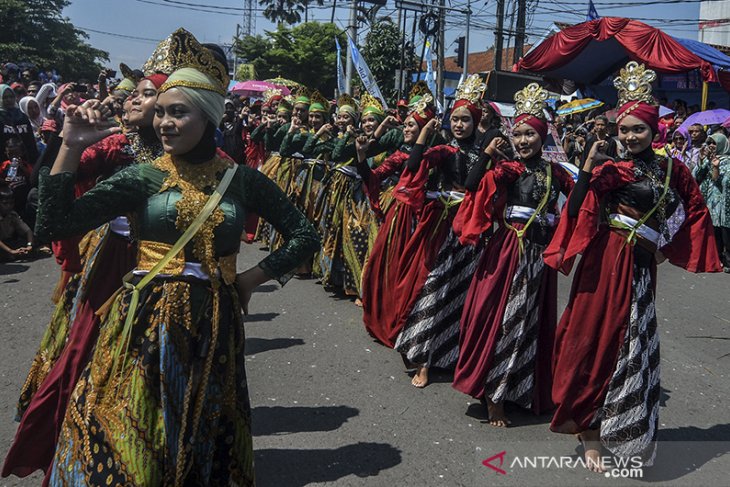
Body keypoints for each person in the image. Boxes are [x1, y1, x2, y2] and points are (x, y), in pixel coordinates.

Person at [24, 29, 318, 486]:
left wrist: (250, 279)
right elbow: (52, 226)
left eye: (177, 113)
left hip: (214, 325)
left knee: (201, 429)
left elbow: (304, 234)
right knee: (126, 431)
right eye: (159, 112)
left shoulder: (242, 180)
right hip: (142, 320)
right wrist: (70, 145)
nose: (163, 123)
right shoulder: (142, 177)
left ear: (209, 118)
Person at [544, 62, 721, 472]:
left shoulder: (672, 169)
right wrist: (588, 165)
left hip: (643, 267)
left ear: (652, 129)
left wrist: (665, 247)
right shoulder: (610, 169)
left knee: (634, 343)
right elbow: (578, 209)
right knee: (594, 338)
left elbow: (692, 210)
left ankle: (624, 429)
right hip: (606, 261)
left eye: (637, 129)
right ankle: (587, 431)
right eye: (623, 130)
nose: (629, 136)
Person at [2, 56, 171, 483]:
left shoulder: (205, 162)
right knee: (88, 351)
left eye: (147, 93)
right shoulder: (115, 145)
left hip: (169, 276)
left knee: (151, 369)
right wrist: (70, 141)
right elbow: (48, 203)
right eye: (134, 92)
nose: (132, 97)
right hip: (114, 263)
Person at [452, 83, 575, 426]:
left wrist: (593, 165)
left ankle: (522, 390)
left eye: (529, 135)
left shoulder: (557, 173)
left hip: (540, 257)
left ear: (543, 136)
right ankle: (494, 394)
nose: (523, 141)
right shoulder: (510, 170)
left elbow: (583, 201)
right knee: (505, 320)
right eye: (518, 134)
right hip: (508, 251)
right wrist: (489, 153)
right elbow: (474, 183)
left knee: (532, 323)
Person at [393, 74, 488, 387]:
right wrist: (424, 137)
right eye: (455, 119)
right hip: (444, 228)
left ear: (475, 121)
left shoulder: (485, 153)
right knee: (434, 290)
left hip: (473, 230)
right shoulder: (445, 151)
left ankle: (451, 356)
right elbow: (412, 168)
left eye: (465, 120)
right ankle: (422, 359)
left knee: (462, 295)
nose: (459, 125)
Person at [358, 87, 439, 347]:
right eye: (405, 125)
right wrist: (361, 157)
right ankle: (390, 315)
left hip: (429, 219)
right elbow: (374, 176)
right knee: (392, 267)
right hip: (402, 218)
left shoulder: (438, 154)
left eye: (411, 126)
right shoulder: (401, 155)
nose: (405, 129)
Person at [694, 133, 730, 272]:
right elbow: (696, 177)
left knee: (726, 233)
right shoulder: (708, 160)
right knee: (714, 233)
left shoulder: (727, 161)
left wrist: (716, 167)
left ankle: (727, 261)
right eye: (709, 143)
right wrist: (702, 160)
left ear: (722, 144)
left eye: (714, 143)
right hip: (710, 202)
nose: (710, 146)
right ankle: (717, 258)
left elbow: (723, 182)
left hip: (724, 202)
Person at [0, 84, 39, 166]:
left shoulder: (22, 116)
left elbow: (30, 142)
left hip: (25, 162)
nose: (9, 100)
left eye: (11, 97)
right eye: (5, 97)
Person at [0, 136, 33, 218]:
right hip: (10, 198)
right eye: (10, 154)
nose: (13, 157)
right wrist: (4, 181)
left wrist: (22, 167)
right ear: (6, 153)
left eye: (16, 154)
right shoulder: (4, 165)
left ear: (21, 153)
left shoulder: (25, 164)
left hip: (24, 197)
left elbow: (32, 176)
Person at [0, 184, 33, 261]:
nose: (9, 206)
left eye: (11, 203)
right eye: (5, 203)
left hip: (8, 241)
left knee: (24, 244)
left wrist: (29, 245)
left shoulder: (12, 214)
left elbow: (27, 231)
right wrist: (11, 251)